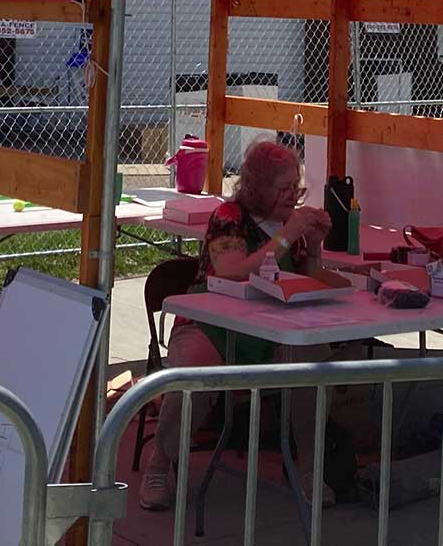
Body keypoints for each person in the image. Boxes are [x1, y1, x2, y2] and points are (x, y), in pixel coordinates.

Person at [139, 138, 332, 511]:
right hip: (211, 324)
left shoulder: (287, 223)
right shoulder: (230, 216)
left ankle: (310, 467)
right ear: (259, 188)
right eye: (285, 189)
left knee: (313, 360)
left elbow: (308, 278)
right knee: (192, 368)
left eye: (297, 187)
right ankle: (160, 462)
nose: (293, 196)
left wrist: (315, 245)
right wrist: (286, 235)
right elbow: (231, 272)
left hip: (273, 327)